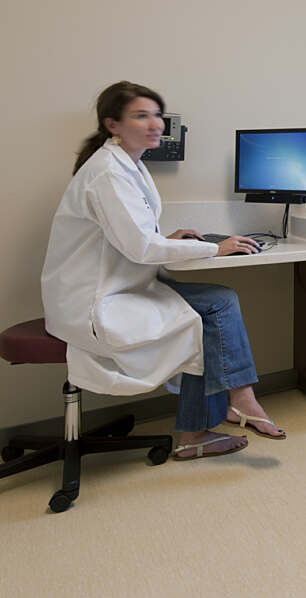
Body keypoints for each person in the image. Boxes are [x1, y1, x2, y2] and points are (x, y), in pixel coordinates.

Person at [41, 81, 285, 461]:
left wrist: (166, 238)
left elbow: (128, 236)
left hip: (121, 285)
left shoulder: (130, 165)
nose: (155, 123)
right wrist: (215, 247)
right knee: (214, 308)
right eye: (141, 116)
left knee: (216, 304)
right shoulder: (108, 172)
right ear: (113, 124)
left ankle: (224, 411)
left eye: (157, 115)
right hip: (94, 302)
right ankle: (227, 409)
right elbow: (140, 247)